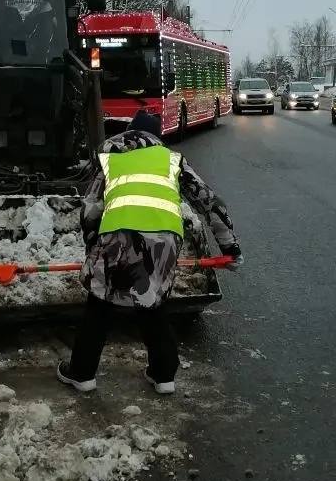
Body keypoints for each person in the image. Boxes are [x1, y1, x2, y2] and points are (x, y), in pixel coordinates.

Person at [57, 109, 241, 395]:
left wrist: (93, 245)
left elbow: (91, 208)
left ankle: (82, 373)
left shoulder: (111, 157)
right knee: (152, 301)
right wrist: (230, 247)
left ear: (130, 133)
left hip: (118, 232)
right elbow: (209, 201)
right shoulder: (171, 159)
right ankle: (163, 374)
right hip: (165, 237)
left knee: (101, 302)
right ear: (156, 138)